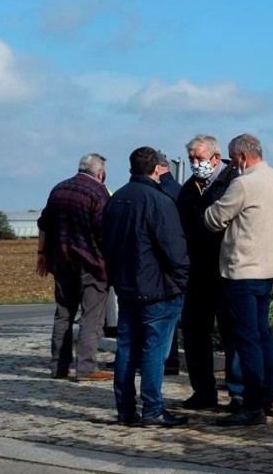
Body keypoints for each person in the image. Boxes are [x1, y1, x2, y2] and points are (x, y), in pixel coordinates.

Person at [204, 134, 273, 426]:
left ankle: (251, 405)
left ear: (241, 157)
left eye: (231, 158)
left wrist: (211, 210)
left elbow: (215, 217)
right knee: (263, 336)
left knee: (246, 340)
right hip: (267, 269)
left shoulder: (244, 183)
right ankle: (270, 395)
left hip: (241, 270)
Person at [103, 146, 190, 427]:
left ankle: (126, 409)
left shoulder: (115, 200)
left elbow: (106, 243)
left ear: (131, 168)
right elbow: (174, 250)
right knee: (153, 350)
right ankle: (152, 408)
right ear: (157, 169)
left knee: (126, 348)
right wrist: (181, 280)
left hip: (126, 286)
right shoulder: (159, 200)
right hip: (157, 287)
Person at [175, 135, 245, 410]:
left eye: (200, 159)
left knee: (232, 335)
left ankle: (238, 393)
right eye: (192, 158)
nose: (195, 163)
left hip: (226, 270)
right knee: (194, 333)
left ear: (216, 158)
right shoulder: (188, 189)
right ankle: (203, 391)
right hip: (196, 273)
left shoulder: (232, 183)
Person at [36, 153, 111, 381]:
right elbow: (103, 231)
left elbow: (44, 224)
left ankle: (59, 366)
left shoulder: (58, 189)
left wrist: (41, 254)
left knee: (63, 314)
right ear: (100, 173)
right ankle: (86, 368)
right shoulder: (98, 192)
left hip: (61, 260)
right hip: (91, 263)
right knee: (91, 315)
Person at [156, 150, 183, 376]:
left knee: (159, 319)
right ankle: (171, 360)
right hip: (177, 264)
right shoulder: (179, 190)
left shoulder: (159, 191)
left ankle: (162, 361)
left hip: (159, 265)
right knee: (170, 319)